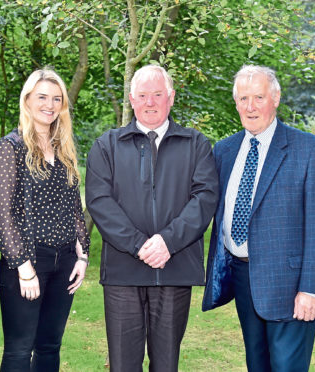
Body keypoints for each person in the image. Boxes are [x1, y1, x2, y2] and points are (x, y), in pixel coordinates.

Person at [202, 65, 315, 371]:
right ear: (235, 102)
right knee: (256, 364)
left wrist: (312, 288)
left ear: (275, 98)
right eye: (243, 98)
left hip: (291, 288)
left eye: (259, 97)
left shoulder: (308, 149)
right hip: (243, 279)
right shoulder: (224, 150)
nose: (250, 106)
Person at [86, 64, 219, 372]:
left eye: (157, 94)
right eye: (143, 95)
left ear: (170, 98)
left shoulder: (195, 144)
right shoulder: (108, 145)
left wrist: (167, 242)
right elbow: (99, 201)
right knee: (123, 365)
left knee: (166, 364)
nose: (150, 102)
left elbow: (204, 198)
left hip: (173, 271)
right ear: (131, 99)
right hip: (123, 274)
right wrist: (139, 245)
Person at [0, 68, 90, 372]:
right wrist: (23, 267)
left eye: (57, 99)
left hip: (65, 262)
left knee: (49, 346)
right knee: (19, 350)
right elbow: (0, 213)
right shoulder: (10, 147)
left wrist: (82, 254)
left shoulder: (64, 149)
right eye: (42, 97)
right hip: (28, 261)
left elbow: (74, 206)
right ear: (28, 100)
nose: (50, 104)